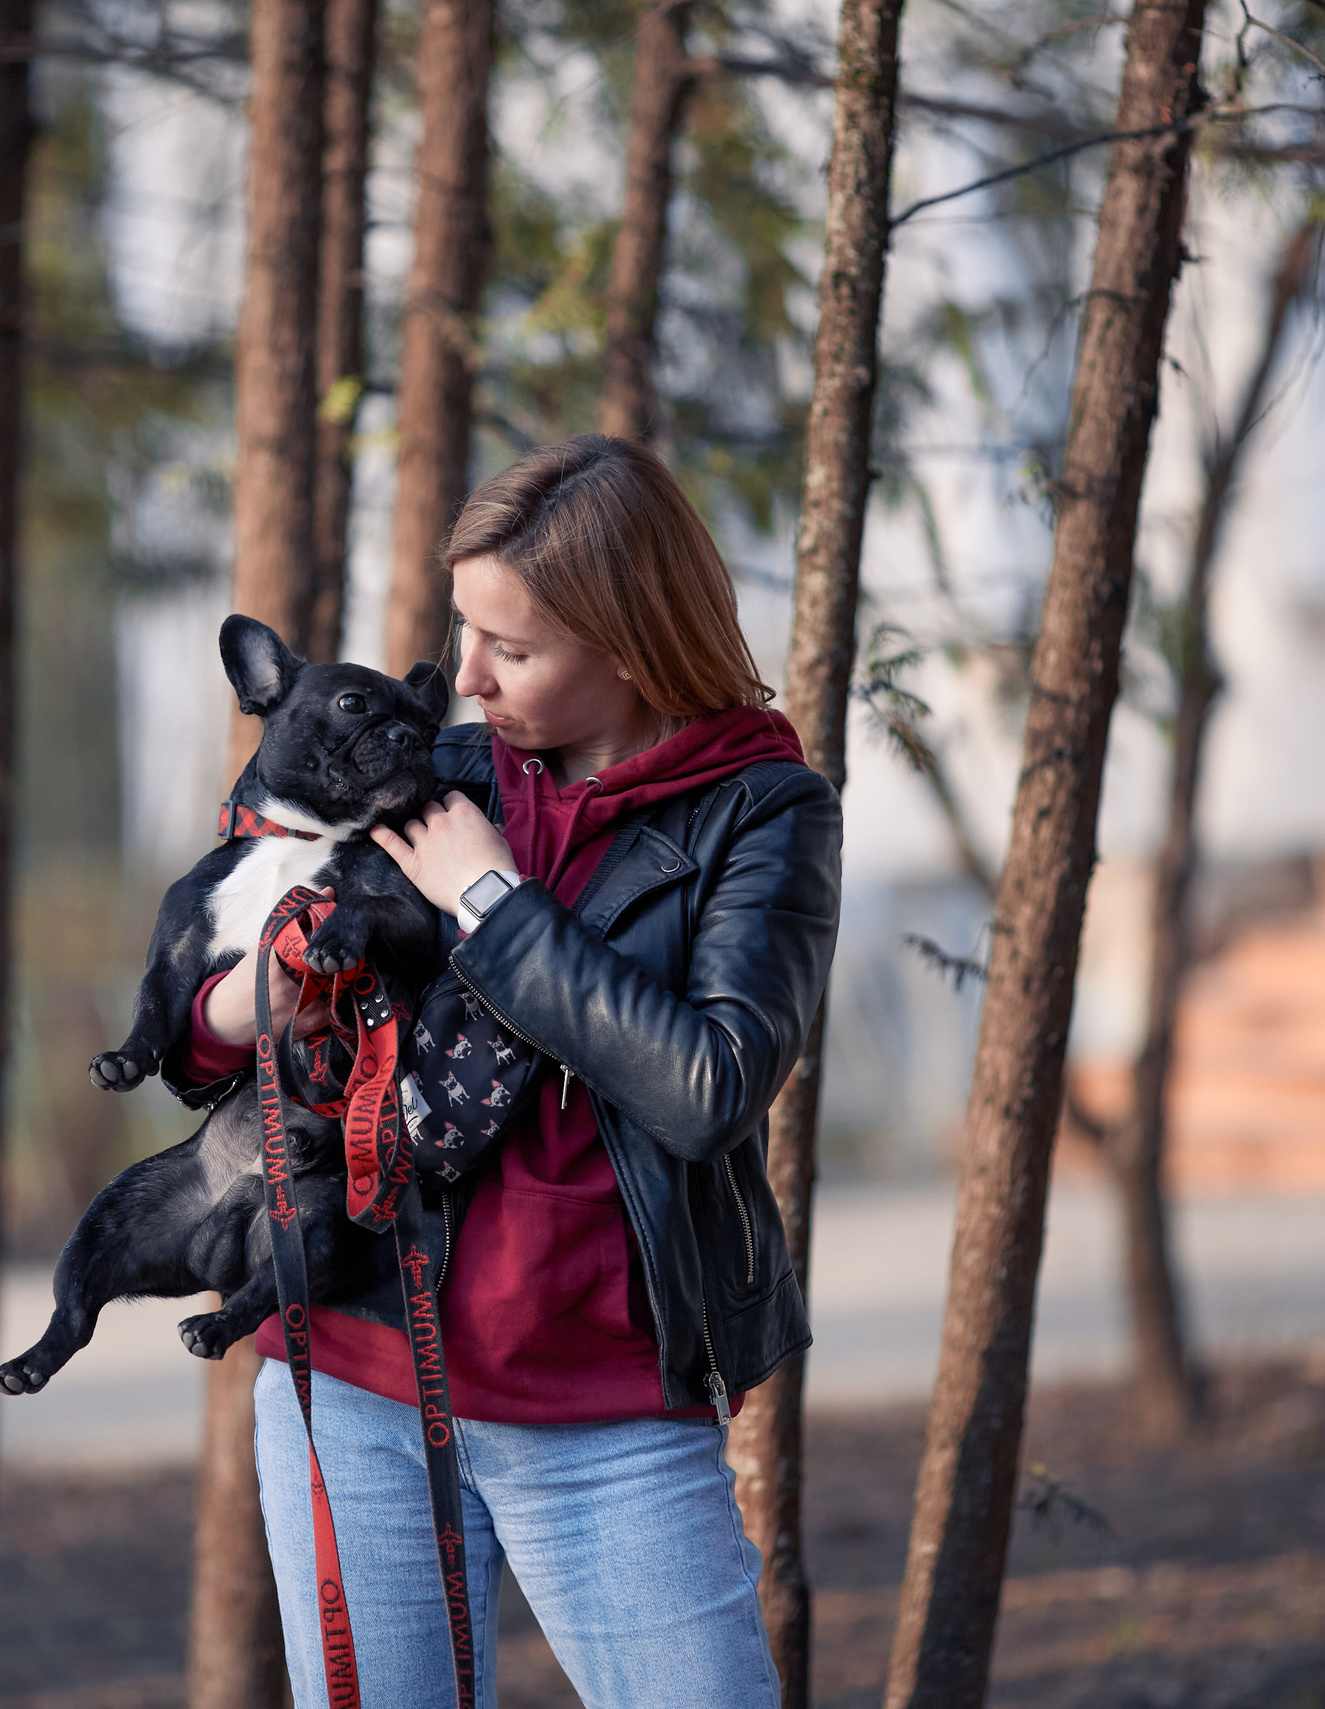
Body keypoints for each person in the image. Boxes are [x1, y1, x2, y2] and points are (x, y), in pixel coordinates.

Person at [171, 434, 841, 1708]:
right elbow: (212, 1023)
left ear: (632, 647)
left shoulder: (761, 809)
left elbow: (706, 1085)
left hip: (608, 1422)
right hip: (355, 1387)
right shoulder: (434, 761)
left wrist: (491, 895)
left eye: (512, 649)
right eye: (463, 629)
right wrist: (235, 1000)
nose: (462, 677)